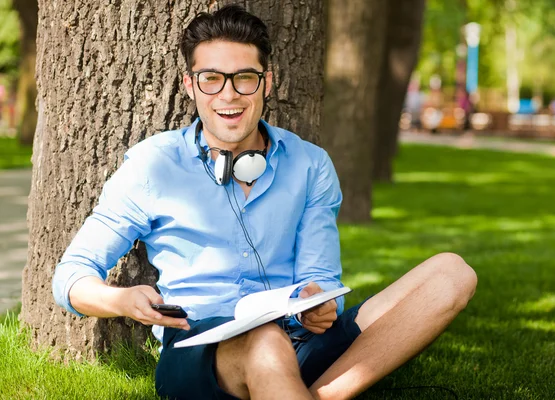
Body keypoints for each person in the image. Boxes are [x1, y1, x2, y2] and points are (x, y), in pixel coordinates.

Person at [52, 5, 477, 400]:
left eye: (245, 78)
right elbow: (71, 276)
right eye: (211, 78)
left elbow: (322, 277)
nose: (229, 95)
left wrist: (322, 303)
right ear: (190, 85)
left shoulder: (310, 165)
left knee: (451, 273)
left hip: (300, 338)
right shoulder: (153, 165)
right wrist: (121, 301)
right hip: (203, 348)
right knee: (266, 342)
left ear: (266, 82)